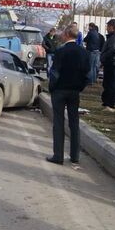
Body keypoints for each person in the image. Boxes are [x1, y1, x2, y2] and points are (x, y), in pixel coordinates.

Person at [46, 25, 90, 166]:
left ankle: (58, 155)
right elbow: (87, 74)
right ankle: (74, 155)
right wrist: (79, 87)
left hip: (59, 90)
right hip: (74, 91)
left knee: (58, 123)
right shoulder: (83, 52)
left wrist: (52, 87)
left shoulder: (61, 51)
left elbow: (55, 72)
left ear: (66, 34)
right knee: (74, 122)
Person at [100, 19, 115, 112]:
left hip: (112, 64)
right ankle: (106, 102)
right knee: (107, 84)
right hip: (109, 63)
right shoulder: (111, 37)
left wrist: (104, 57)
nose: (107, 28)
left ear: (112, 27)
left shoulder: (114, 37)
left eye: (108, 26)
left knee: (111, 84)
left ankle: (110, 104)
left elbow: (112, 49)